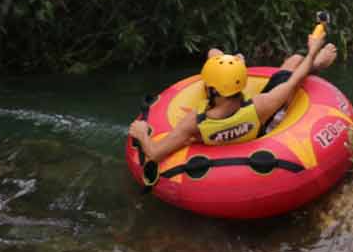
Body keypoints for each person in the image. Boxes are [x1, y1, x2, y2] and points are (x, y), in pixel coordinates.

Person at [128, 32, 338, 164]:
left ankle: (233, 62)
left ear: (211, 89)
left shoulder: (195, 123)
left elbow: (154, 154)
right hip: (258, 126)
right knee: (294, 65)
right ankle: (315, 65)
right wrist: (313, 51)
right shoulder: (259, 105)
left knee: (290, 66)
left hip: (225, 128)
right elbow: (295, 82)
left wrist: (142, 134)